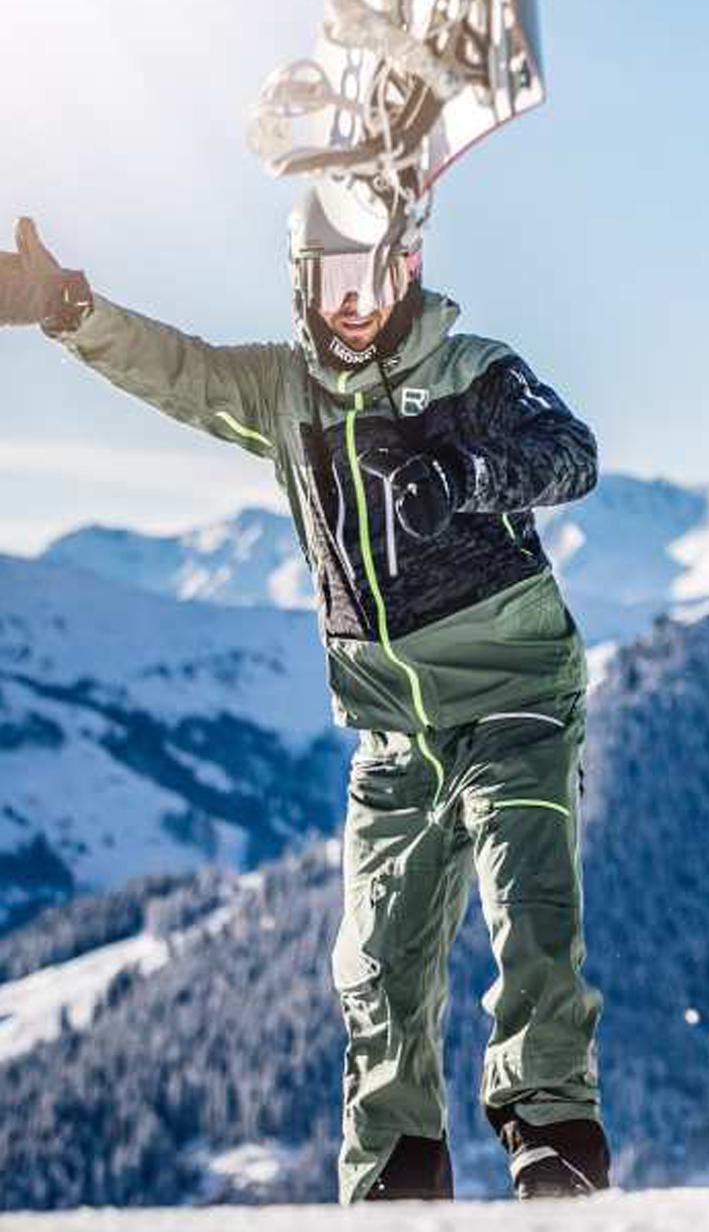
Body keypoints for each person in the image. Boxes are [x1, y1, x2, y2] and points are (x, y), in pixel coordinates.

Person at [0, 192, 609, 1203]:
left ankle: (555, 1145)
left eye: (373, 275)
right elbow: (180, 371)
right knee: (374, 968)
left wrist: (461, 470)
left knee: (529, 911)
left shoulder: (472, 371)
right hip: (392, 731)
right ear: (301, 285)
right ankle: (395, 1181)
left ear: (407, 270)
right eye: (331, 280)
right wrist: (72, 310)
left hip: (515, 695)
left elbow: (569, 454)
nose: (354, 301)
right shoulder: (285, 392)